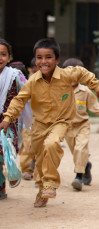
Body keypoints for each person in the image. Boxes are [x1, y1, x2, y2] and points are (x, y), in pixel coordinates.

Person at [0, 38, 99, 207]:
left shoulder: (66, 75)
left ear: (57, 60)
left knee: (52, 144)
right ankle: (42, 190)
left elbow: (83, 73)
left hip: (61, 121)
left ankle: (50, 184)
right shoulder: (33, 81)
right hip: (39, 125)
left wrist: (97, 88)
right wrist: (7, 118)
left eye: (48, 57)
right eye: (39, 58)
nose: (43, 61)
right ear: (35, 60)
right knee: (40, 160)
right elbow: (19, 100)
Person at [62, 58, 99, 191]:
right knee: (76, 152)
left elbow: (95, 107)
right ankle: (86, 166)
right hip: (67, 127)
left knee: (80, 149)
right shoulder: (60, 90)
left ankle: (78, 177)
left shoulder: (85, 91)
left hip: (82, 125)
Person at [0, 39, 28, 200]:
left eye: (3, 54)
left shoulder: (15, 75)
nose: (0, 58)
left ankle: (12, 171)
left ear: (9, 57)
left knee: (6, 149)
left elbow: (29, 90)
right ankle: (1, 187)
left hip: (9, 121)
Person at [8, 61, 34, 181]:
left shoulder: (29, 88)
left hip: (28, 124)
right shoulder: (6, 89)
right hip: (11, 124)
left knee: (28, 146)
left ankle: (29, 169)